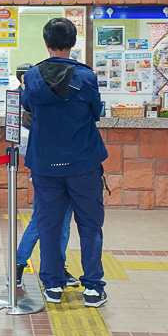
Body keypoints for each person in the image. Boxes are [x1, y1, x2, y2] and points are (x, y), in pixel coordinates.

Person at [21, 18, 109, 307]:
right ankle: (93, 288)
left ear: (46, 43)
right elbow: (96, 112)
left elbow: (29, 109)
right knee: (90, 226)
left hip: (45, 165)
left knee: (48, 225)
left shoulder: (32, 77)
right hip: (83, 163)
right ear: (73, 43)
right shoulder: (86, 77)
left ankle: (53, 286)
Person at [12, 62, 78, 290]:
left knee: (64, 225)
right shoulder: (30, 110)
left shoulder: (52, 105)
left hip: (68, 171)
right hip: (46, 175)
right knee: (41, 222)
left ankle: (59, 267)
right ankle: (18, 264)